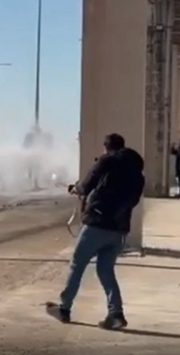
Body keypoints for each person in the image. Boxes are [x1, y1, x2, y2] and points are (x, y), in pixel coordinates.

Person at [45, 133, 145, 330]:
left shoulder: (106, 161)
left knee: (77, 264)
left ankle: (64, 309)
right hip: (119, 228)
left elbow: (86, 184)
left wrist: (76, 189)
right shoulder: (137, 173)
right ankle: (116, 314)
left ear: (106, 147)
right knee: (105, 270)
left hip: (97, 223)